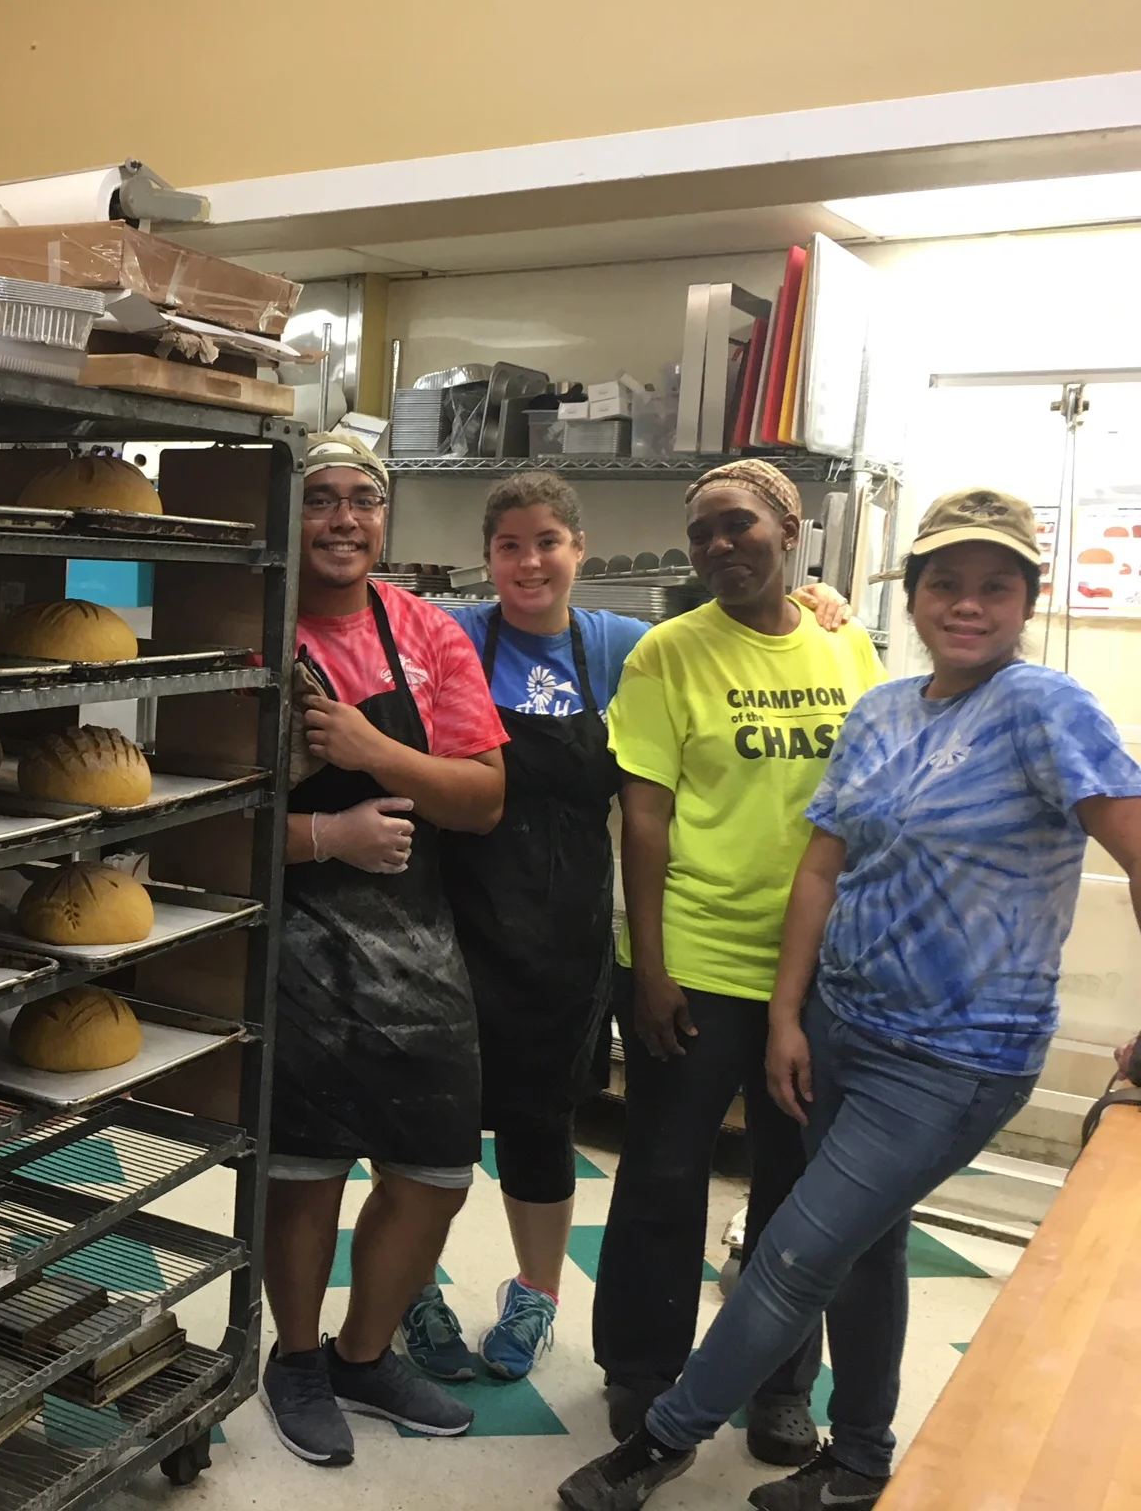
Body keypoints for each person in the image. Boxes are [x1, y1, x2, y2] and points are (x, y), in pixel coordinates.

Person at [559, 487, 1141, 1511]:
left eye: (995, 587)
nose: (968, 606)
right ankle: (861, 1461)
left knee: (793, 1252)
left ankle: (660, 1443)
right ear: (912, 598)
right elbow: (823, 867)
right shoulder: (883, 709)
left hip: (956, 1053)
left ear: (1026, 600)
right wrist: (790, 1017)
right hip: (841, 1024)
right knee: (865, 1247)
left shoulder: (1045, 710)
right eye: (945, 584)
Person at [400, 472, 849, 1385]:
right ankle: (410, 1288)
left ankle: (535, 1295)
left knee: (542, 1123)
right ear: (487, 559)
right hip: (453, 921)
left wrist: (816, 600)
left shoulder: (619, 646)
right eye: (510, 546)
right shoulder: (454, 638)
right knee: (430, 1126)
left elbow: (735, 638)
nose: (530, 562)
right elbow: (374, 627)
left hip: (566, 934)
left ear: (580, 550)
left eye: (548, 543)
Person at [589, 459, 885, 1463]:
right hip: (700, 958)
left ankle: (780, 1384)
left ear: (790, 530)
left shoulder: (848, 646)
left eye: (740, 525)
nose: (719, 546)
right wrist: (652, 968)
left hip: (821, 969)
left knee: (798, 1191)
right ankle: (642, 1369)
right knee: (665, 1172)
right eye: (703, 531)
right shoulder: (666, 656)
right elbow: (645, 819)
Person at [259, 431, 507, 1467]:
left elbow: (483, 798)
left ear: (384, 517)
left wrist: (373, 750)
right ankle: (297, 1360)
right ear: (291, 514)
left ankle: (364, 1355)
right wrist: (329, 834)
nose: (342, 518)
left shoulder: (428, 635)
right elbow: (198, 822)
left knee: (437, 1171)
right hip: (293, 943)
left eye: (361, 498)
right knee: (303, 1174)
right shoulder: (249, 628)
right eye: (319, 498)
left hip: (417, 942)